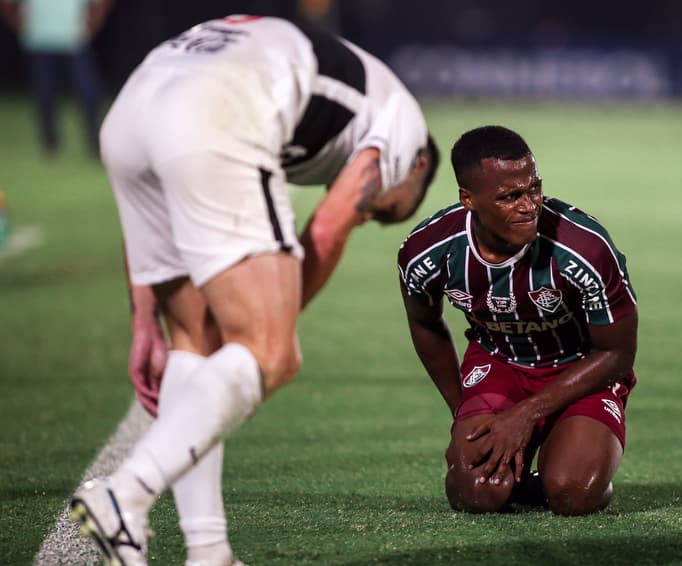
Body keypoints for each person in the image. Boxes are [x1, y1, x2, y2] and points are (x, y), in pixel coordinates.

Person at [69, 15, 439, 566]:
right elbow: (332, 223)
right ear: (419, 167)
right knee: (270, 352)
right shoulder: (405, 127)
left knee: (194, 341)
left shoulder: (337, 94)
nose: (373, 215)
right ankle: (125, 495)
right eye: (385, 212)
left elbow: (164, 198)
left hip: (133, 108)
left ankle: (209, 551)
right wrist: (272, 331)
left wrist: (143, 317)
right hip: (214, 108)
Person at [397, 125, 637, 515]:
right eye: (510, 197)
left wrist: (524, 414)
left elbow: (618, 352)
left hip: (581, 372)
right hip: (499, 364)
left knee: (574, 493)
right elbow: (425, 323)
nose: (529, 206)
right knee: (474, 491)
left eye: (533, 189)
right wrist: (463, 411)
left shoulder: (584, 247)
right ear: (468, 199)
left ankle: (566, 464)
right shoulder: (428, 253)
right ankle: (525, 471)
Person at [0, 0, 110, 155]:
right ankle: (50, 140)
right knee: (44, 94)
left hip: (74, 40)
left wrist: (93, 23)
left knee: (89, 92)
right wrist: (16, 20)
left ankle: (94, 140)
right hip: (39, 40)